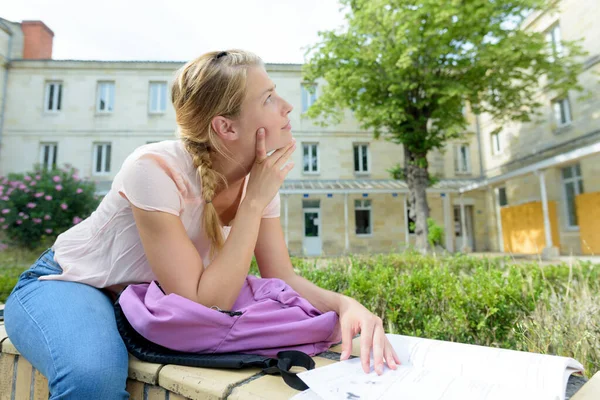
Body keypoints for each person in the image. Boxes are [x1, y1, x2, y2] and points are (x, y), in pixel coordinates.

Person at [4, 49, 399, 399]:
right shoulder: (154, 168)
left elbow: (282, 277)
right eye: (269, 98)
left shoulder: (257, 182)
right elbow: (203, 303)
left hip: (143, 303)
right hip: (71, 283)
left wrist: (347, 306)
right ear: (226, 127)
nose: (287, 106)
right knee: (94, 380)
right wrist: (254, 203)